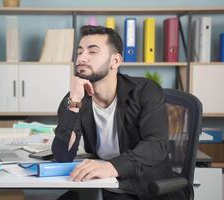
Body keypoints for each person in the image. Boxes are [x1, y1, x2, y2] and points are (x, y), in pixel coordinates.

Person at [52, 25, 185, 200]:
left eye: (92, 52)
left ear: (115, 61)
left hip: (143, 184)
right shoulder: (75, 98)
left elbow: (156, 145)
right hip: (101, 182)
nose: (81, 59)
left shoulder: (145, 91)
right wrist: (74, 102)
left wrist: (110, 167)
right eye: (79, 52)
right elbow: (63, 155)